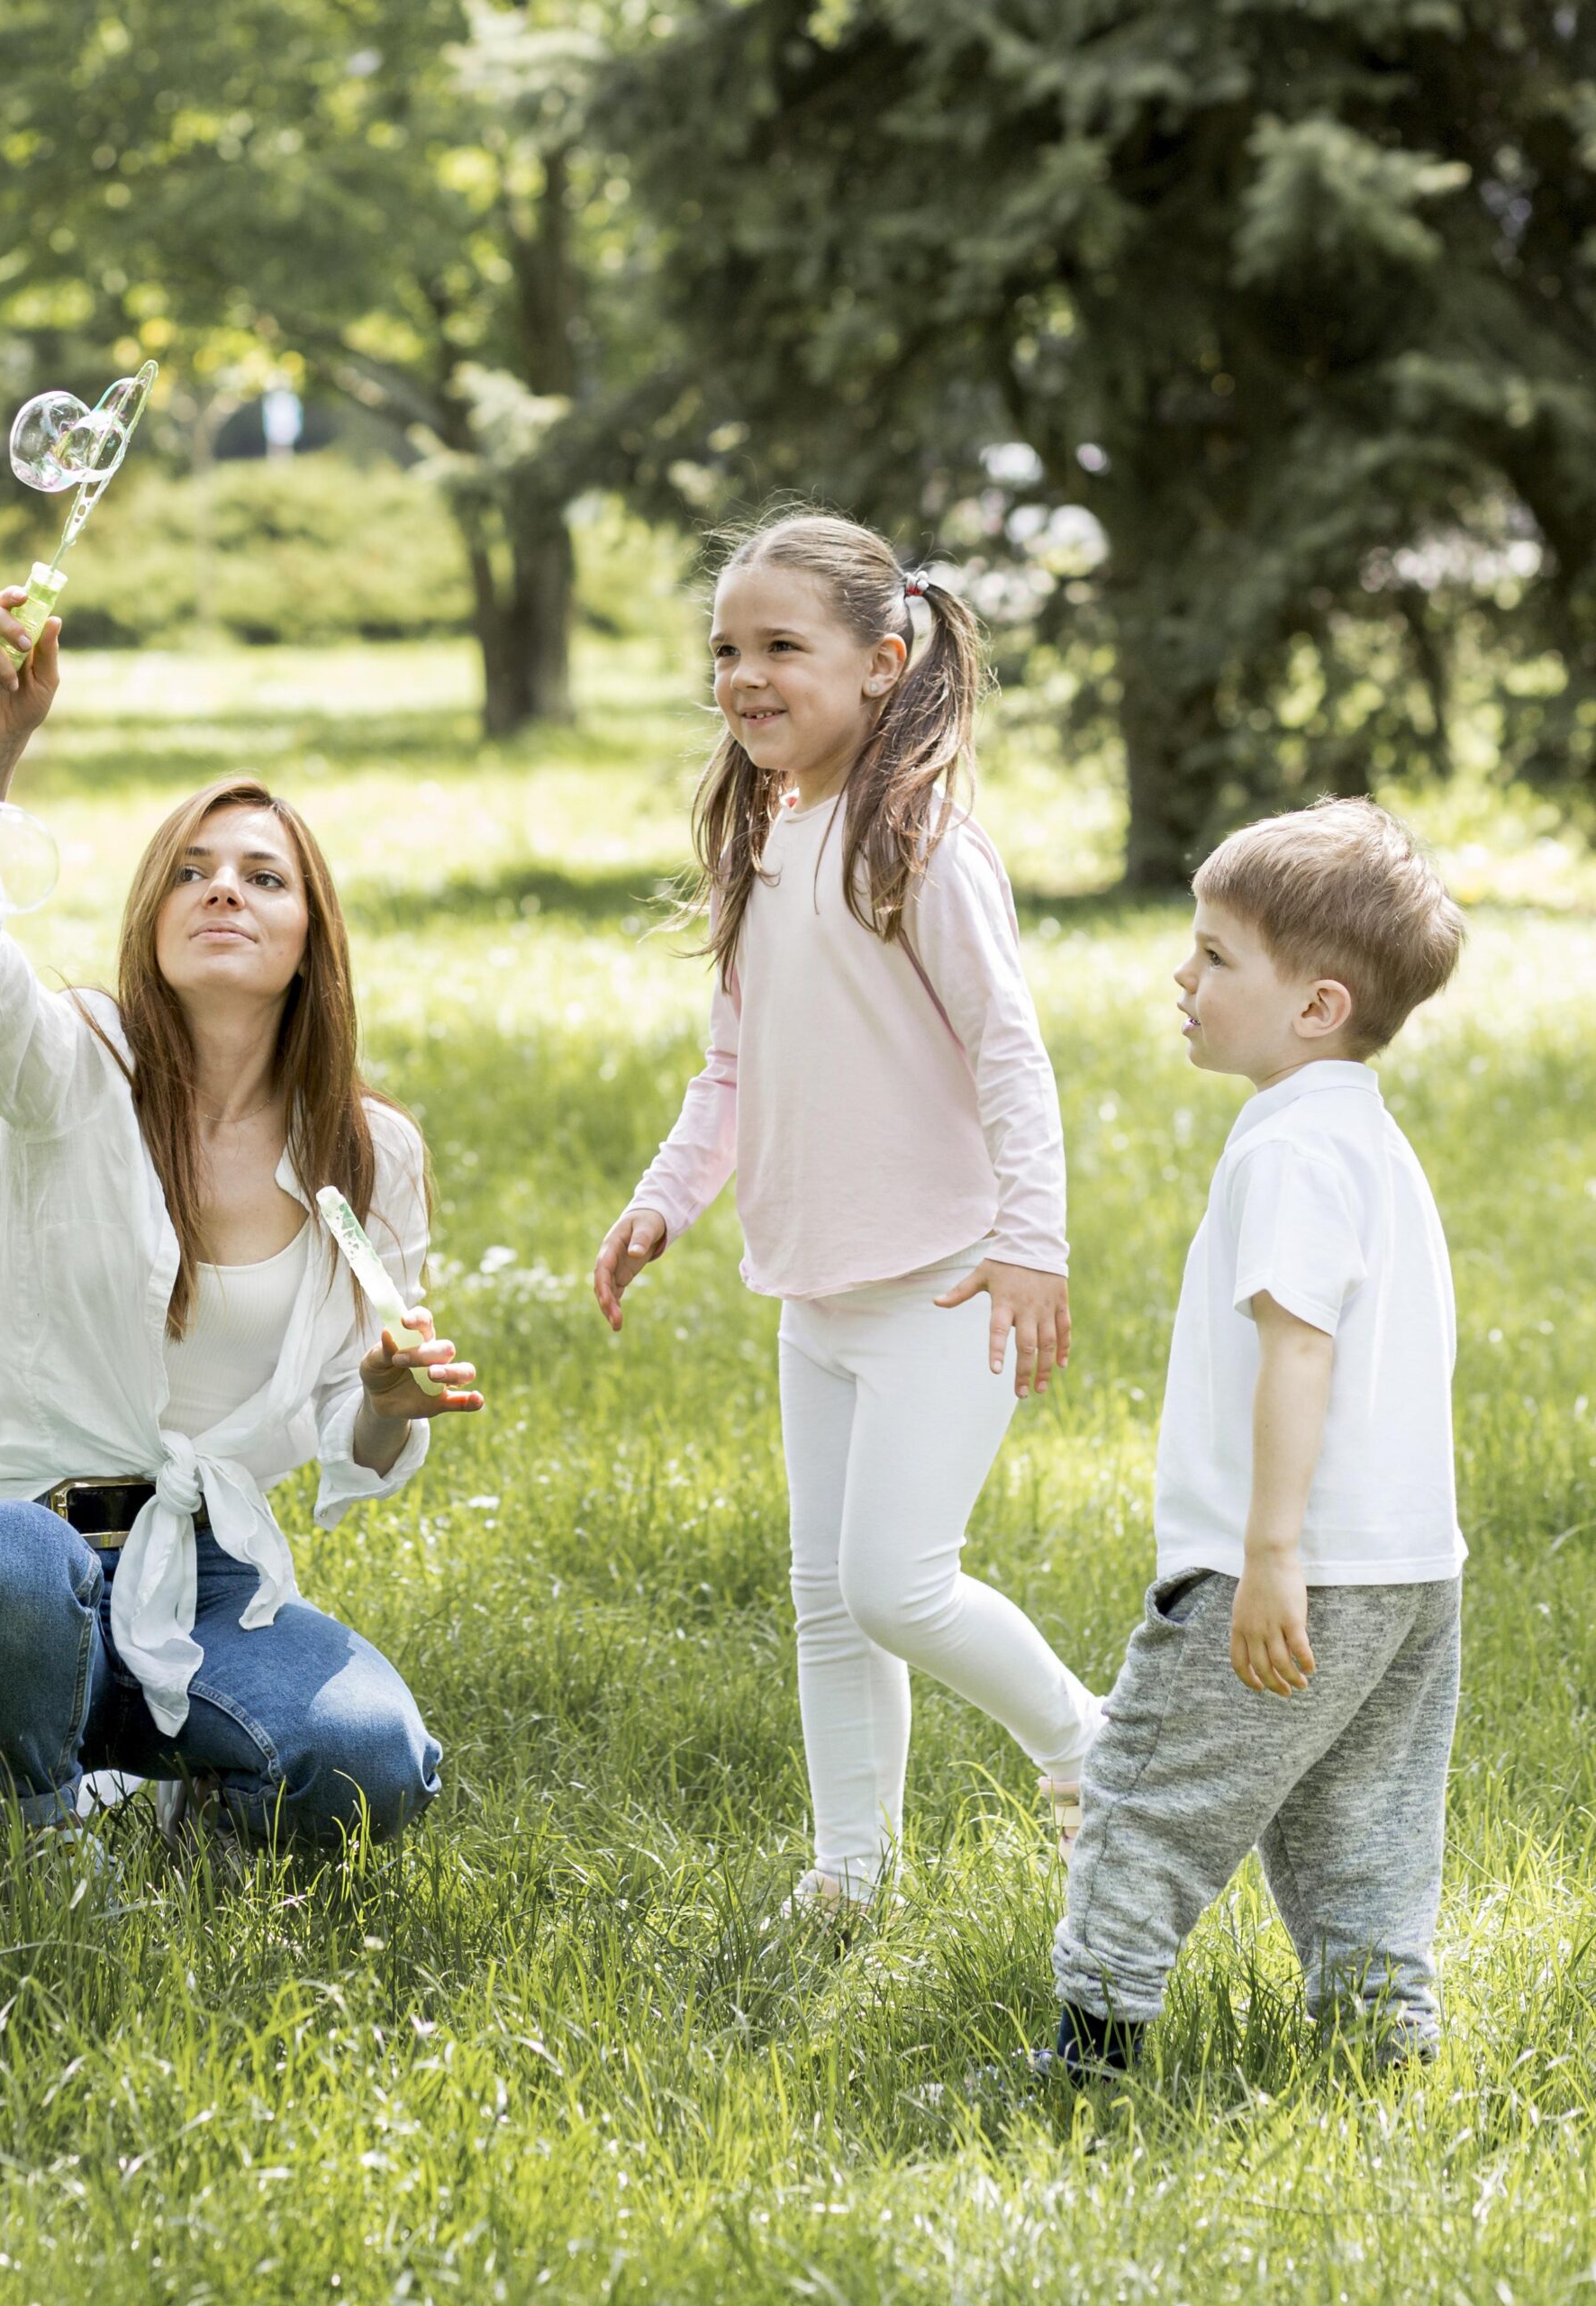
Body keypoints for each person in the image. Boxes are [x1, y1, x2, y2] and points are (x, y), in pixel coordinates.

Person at [0, 591, 482, 1853]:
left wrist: (384, 1395)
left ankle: (185, 1815)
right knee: (2, 1568)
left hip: (210, 1581)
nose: (226, 893)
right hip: (24, 1570)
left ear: (312, 939)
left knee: (375, 1765)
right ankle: (39, 1833)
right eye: (193, 875)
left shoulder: (370, 1159)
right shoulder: (75, 1065)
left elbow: (348, 1428)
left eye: (266, 877)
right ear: (153, 921)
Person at [592, 509, 1100, 1915]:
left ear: (883, 662)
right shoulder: (770, 832)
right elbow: (735, 1064)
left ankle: (1092, 1750)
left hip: (943, 1281)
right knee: (827, 1599)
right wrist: (666, 1198)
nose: (746, 677)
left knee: (897, 1584)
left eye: (780, 648)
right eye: (726, 651)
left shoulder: (921, 842)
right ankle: (853, 1868)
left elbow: (1010, 1049)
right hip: (814, 1291)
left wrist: (1030, 1248)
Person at [1046, 798, 1466, 2074]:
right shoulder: (1367, 1140)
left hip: (1281, 1564)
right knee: (1366, 1829)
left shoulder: (1290, 1151)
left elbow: (1299, 1349)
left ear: (1318, 1005)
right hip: (1409, 1571)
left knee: (1143, 1803)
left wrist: (1267, 1553)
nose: (1185, 975)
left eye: (1218, 956)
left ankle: (1088, 2063)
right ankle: (1383, 2050)